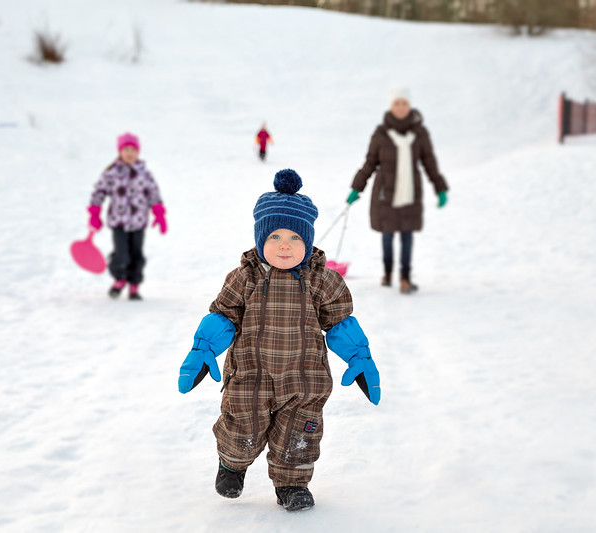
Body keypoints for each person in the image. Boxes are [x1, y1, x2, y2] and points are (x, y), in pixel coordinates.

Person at [177, 169, 380, 511]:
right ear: (260, 240)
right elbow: (224, 316)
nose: (285, 245)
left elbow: (340, 323)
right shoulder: (244, 277)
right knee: (242, 422)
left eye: (295, 238)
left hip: (304, 377)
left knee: (300, 431)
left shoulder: (323, 281)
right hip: (251, 374)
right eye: (274, 237)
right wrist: (203, 349)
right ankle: (232, 464)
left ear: (308, 241)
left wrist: (359, 357)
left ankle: (291, 483)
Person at [348, 88, 449, 294]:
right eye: (396, 103)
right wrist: (356, 188)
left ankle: (404, 278)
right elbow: (370, 162)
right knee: (387, 236)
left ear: (409, 106)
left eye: (404, 103)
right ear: (391, 106)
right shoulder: (381, 133)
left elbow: (429, 162)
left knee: (407, 236)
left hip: (409, 193)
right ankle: (387, 273)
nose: (400, 107)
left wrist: (440, 188)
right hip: (386, 194)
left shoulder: (420, 133)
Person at [87, 132, 167, 301]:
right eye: (126, 149)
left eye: (133, 149)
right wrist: (95, 212)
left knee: (137, 256)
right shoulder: (112, 173)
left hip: (139, 222)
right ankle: (119, 277)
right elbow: (99, 191)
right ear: (120, 151)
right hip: (119, 222)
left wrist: (159, 213)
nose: (130, 153)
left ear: (138, 152)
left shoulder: (144, 173)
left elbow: (153, 193)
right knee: (121, 255)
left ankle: (134, 285)